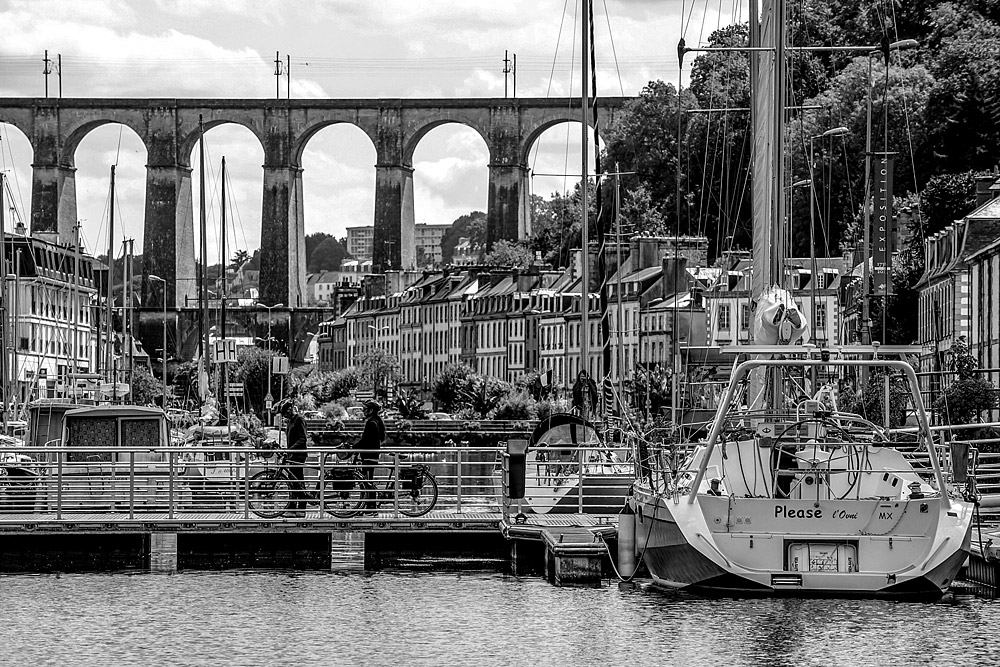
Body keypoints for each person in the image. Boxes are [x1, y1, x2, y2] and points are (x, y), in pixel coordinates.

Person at [276, 399, 309, 517]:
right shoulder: (290, 421)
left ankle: (301, 508)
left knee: (297, 480)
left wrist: (290, 450)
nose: (284, 415)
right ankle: (293, 508)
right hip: (292, 455)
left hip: (298, 455)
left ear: (290, 410)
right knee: (293, 480)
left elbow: (302, 439)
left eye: (284, 412)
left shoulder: (299, 420)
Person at [356, 399, 386, 514]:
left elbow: (365, 441)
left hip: (368, 456)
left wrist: (352, 448)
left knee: (368, 482)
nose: (363, 411)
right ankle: (368, 507)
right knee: (368, 481)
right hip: (372, 456)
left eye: (365, 409)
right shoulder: (377, 421)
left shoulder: (371, 423)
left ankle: (371, 508)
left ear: (371, 410)